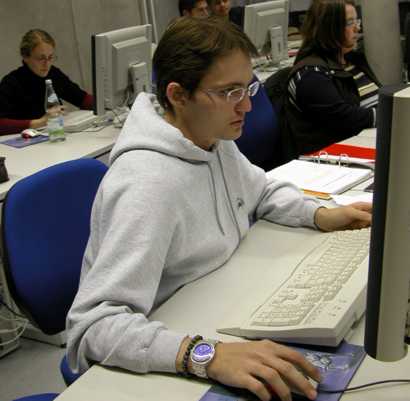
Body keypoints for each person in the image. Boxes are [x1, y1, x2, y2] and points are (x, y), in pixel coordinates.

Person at [66, 17, 372, 401]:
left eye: (247, 88)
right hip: (168, 348)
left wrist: (319, 214)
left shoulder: (210, 137)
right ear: (178, 95)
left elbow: (260, 189)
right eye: (229, 92)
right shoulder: (146, 185)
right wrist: (206, 355)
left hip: (218, 305)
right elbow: (94, 325)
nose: (247, 105)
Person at [282, 0, 380, 157]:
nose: (357, 28)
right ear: (329, 28)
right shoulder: (311, 75)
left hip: (367, 139)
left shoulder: (353, 59)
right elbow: (345, 119)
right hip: (335, 156)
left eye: (357, 21)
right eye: (350, 23)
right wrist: (389, 115)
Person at [0, 29, 93, 135]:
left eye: (50, 57)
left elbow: (81, 98)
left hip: (54, 134)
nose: (47, 64)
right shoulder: (11, 82)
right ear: (26, 57)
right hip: (24, 140)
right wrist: (40, 122)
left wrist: (105, 103)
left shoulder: (53, 73)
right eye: (41, 58)